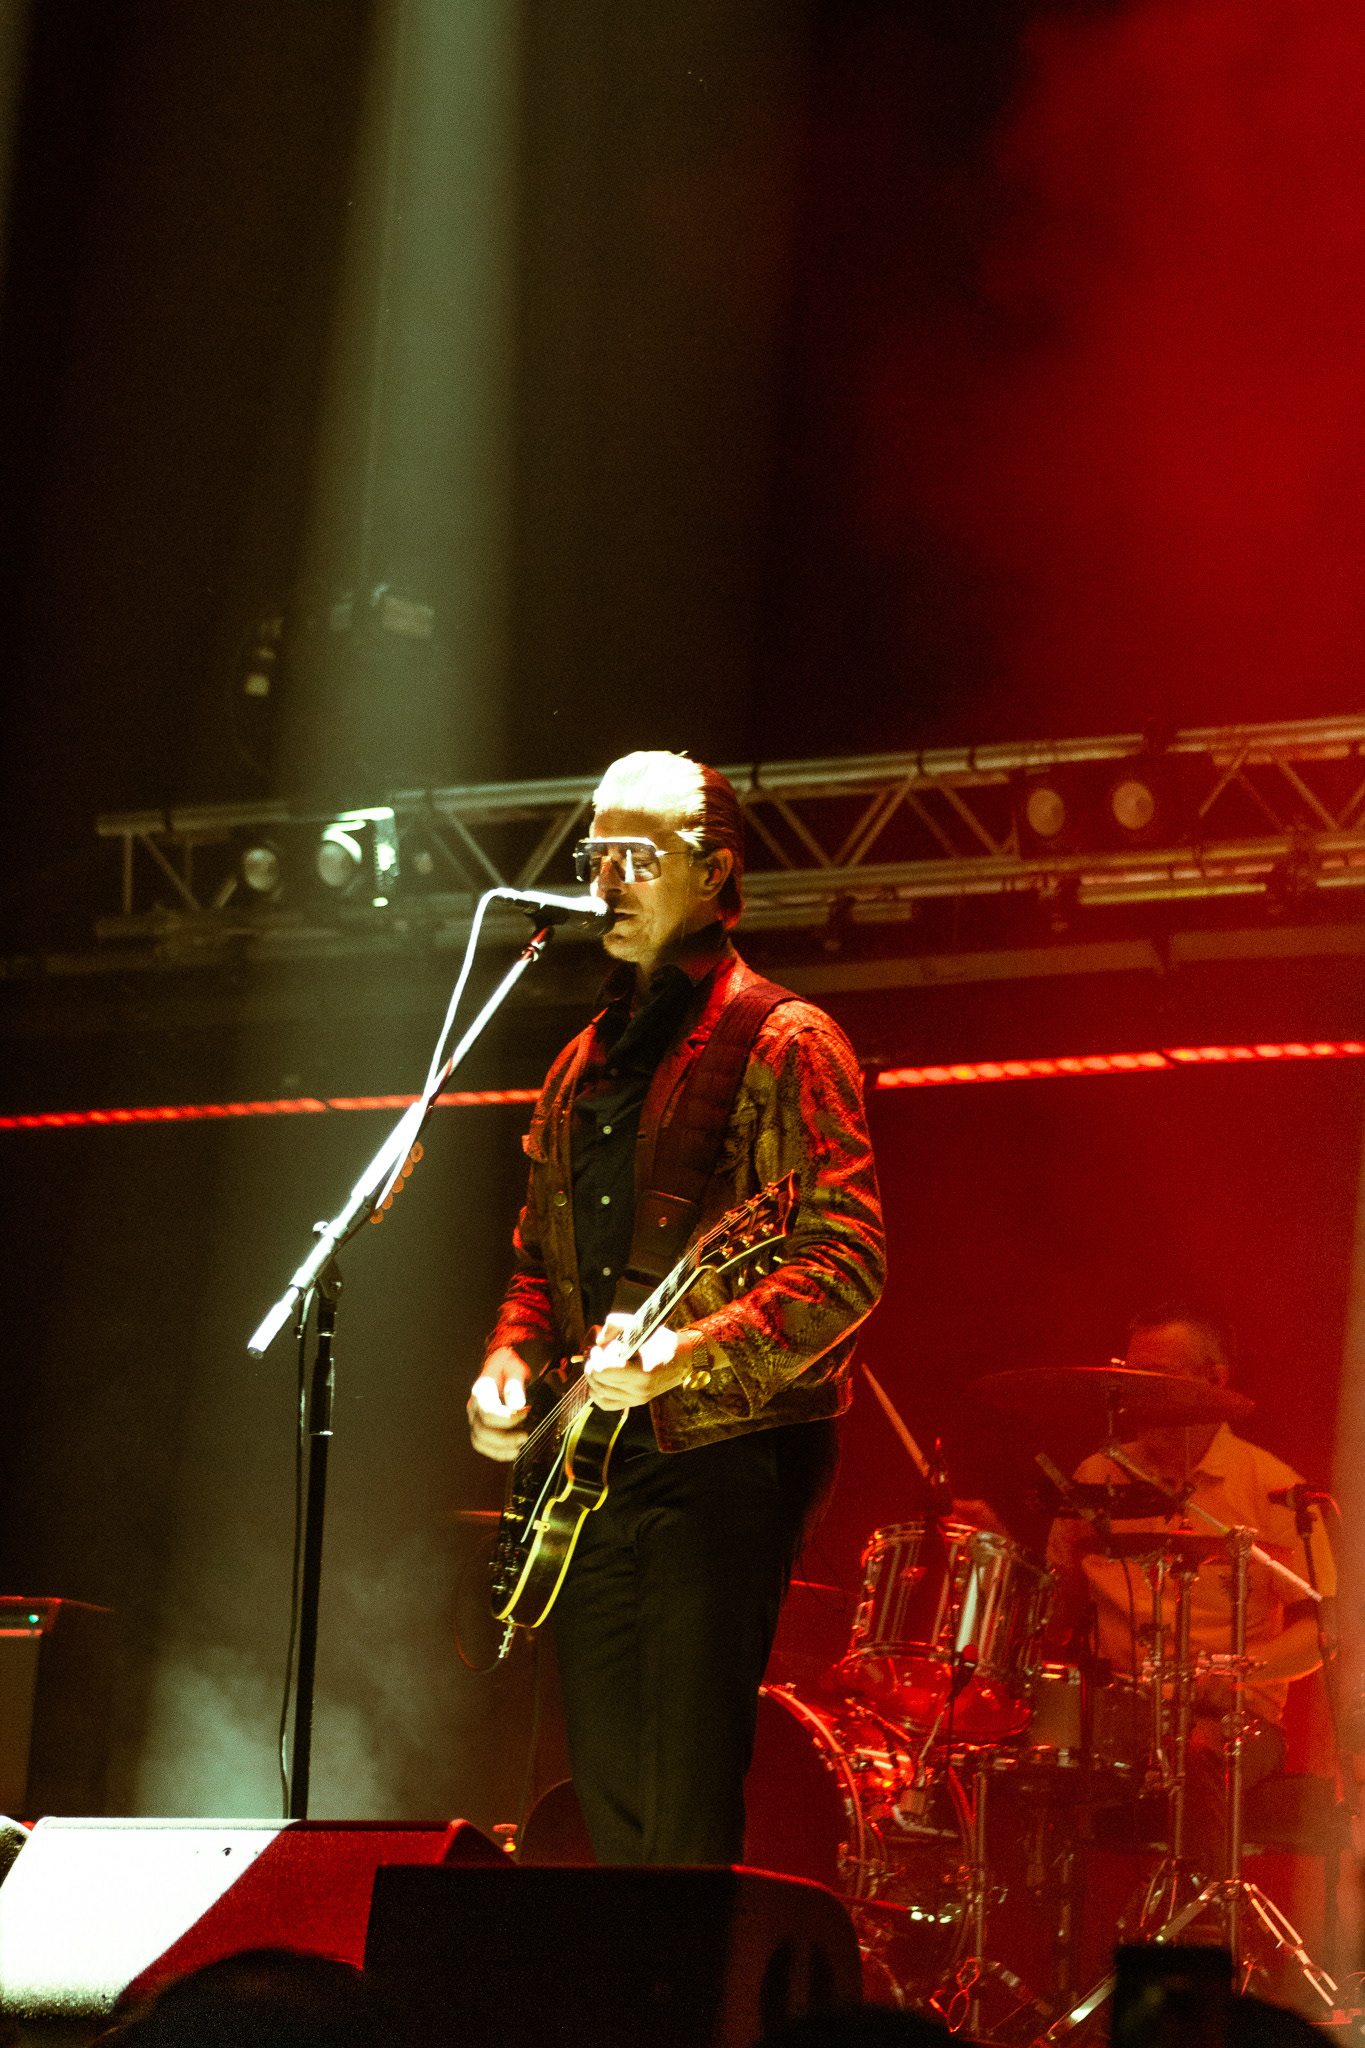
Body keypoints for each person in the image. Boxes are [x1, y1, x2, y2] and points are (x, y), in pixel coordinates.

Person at [468, 750, 885, 1865]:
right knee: (609, 1800)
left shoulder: (786, 1040)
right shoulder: (578, 1066)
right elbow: (540, 1264)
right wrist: (510, 1359)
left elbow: (846, 1259)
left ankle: (694, 1972)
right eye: (594, 855)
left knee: (685, 1802)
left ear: (714, 872)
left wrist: (687, 1353)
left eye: (636, 858)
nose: (606, 880)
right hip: (590, 1465)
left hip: (722, 1455)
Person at [1045, 1307, 1336, 1878]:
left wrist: (1230, 1672)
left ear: (1215, 1380)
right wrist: (994, 1551)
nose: (1139, 1392)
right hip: (1114, 1713)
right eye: (1131, 1375)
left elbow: (1322, 1632)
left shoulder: (1272, 1487)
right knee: (1014, 1753)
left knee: (1197, 1749)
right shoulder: (1096, 1477)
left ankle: (1203, 1913)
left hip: (1231, 1718)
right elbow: (1055, 1613)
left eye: (1158, 1376)